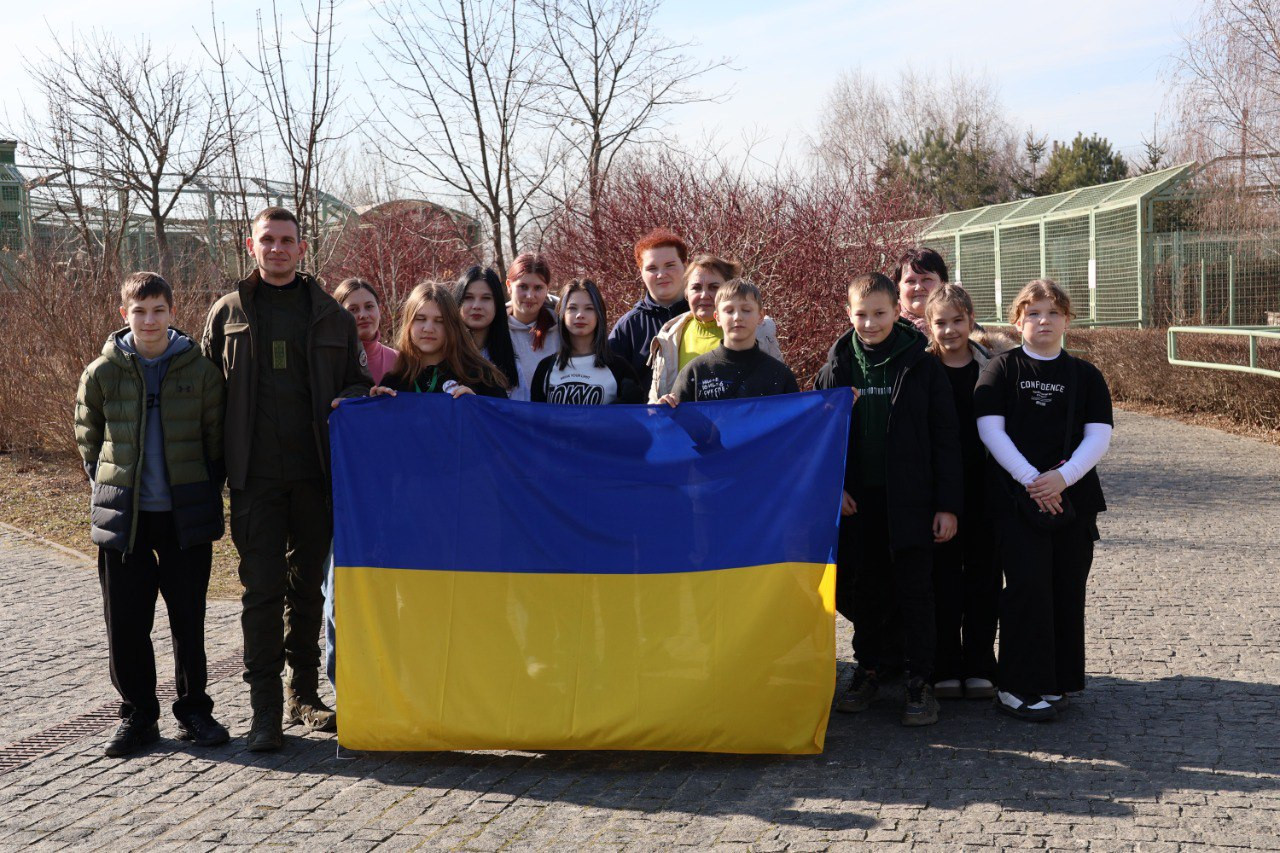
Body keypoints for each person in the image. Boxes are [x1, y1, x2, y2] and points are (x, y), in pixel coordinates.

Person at [202, 207, 371, 751]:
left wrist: (370, 397)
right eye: (267, 240)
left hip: (316, 477)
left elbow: (358, 384)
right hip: (253, 480)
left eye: (286, 241)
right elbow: (207, 401)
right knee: (261, 592)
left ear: (303, 248)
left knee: (306, 592)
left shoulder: (330, 315)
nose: (276, 249)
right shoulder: (227, 313)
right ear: (251, 246)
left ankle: (304, 695)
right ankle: (264, 712)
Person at [76, 271, 229, 757]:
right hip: (126, 518)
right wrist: (107, 487)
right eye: (139, 311)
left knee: (189, 619)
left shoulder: (200, 370)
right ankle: (139, 715)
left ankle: (195, 712)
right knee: (126, 623)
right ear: (125, 314)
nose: (149, 319)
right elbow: (89, 436)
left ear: (172, 313)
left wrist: (205, 488)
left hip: (184, 514)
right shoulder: (101, 372)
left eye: (158, 310)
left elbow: (215, 439)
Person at [815, 272, 962, 727]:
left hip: (913, 502)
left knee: (916, 591)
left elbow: (946, 440)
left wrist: (947, 505)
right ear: (848, 313)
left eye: (880, 313)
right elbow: (818, 437)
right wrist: (832, 489)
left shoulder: (922, 365)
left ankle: (920, 681)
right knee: (866, 590)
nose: (870, 322)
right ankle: (871, 668)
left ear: (898, 312)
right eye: (861, 314)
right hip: (859, 503)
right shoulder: (836, 365)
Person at [975, 279, 1113, 721]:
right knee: (1026, 591)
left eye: (1053, 312)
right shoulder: (1000, 369)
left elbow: (1099, 436)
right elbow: (990, 430)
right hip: (1017, 502)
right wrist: (1035, 480)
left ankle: (1055, 680)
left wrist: (1063, 478)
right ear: (1018, 321)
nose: (1043, 320)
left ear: (1067, 320)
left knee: (1066, 589)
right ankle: (1015, 687)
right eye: (1033, 313)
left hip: (1073, 500)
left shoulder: (1087, 375)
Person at [924, 284, 999, 702]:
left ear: (972, 320)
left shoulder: (994, 368)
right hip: (940, 496)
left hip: (987, 493)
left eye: (957, 321)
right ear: (928, 325)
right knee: (945, 581)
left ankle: (980, 663)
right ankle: (946, 664)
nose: (950, 330)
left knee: (985, 580)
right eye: (941, 322)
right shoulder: (921, 369)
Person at [645, 254, 783, 402]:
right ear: (686, 293)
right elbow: (655, 404)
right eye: (696, 288)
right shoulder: (669, 336)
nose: (704, 295)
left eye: (714, 287)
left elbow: (780, 393)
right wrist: (662, 408)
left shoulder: (761, 331)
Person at [659, 279, 798, 404]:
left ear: (760, 316)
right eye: (729, 310)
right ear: (717, 317)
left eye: (746, 310)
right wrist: (664, 410)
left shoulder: (779, 375)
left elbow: (796, 427)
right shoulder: (696, 372)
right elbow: (674, 426)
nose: (737, 317)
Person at [373, 281, 509, 399]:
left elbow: (503, 425)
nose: (428, 328)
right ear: (408, 323)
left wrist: (477, 408)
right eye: (420, 319)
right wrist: (377, 407)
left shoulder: (483, 378)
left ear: (452, 326)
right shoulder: (394, 383)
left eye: (439, 321)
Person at [530, 279, 641, 404]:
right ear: (562, 314)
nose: (580, 315)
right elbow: (536, 420)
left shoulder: (620, 368)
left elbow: (634, 418)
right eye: (572, 308)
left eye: (589, 308)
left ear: (599, 314)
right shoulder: (545, 368)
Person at [609, 228, 691, 389]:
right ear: (641, 272)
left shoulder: (707, 316)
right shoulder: (628, 327)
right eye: (652, 268)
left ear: (685, 265)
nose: (661, 274)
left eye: (670, 265)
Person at [453, 265, 519, 389]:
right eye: (468, 298)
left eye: (486, 298)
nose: (476, 306)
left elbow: (518, 408)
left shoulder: (511, 363)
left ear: (497, 304)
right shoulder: (443, 355)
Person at [506, 252, 559, 401]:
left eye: (538, 288)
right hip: (507, 420)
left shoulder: (563, 329)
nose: (530, 295)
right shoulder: (493, 329)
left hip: (551, 419)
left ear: (547, 289)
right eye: (523, 286)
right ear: (509, 286)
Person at [333, 278, 397, 385]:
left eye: (369, 306)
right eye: (353, 310)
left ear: (379, 310)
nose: (363, 315)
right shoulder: (326, 364)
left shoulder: (399, 362)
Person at [892, 246, 949, 334]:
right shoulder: (884, 329)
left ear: (943, 282)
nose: (918, 287)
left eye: (927, 279)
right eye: (910, 281)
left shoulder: (962, 327)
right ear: (898, 286)